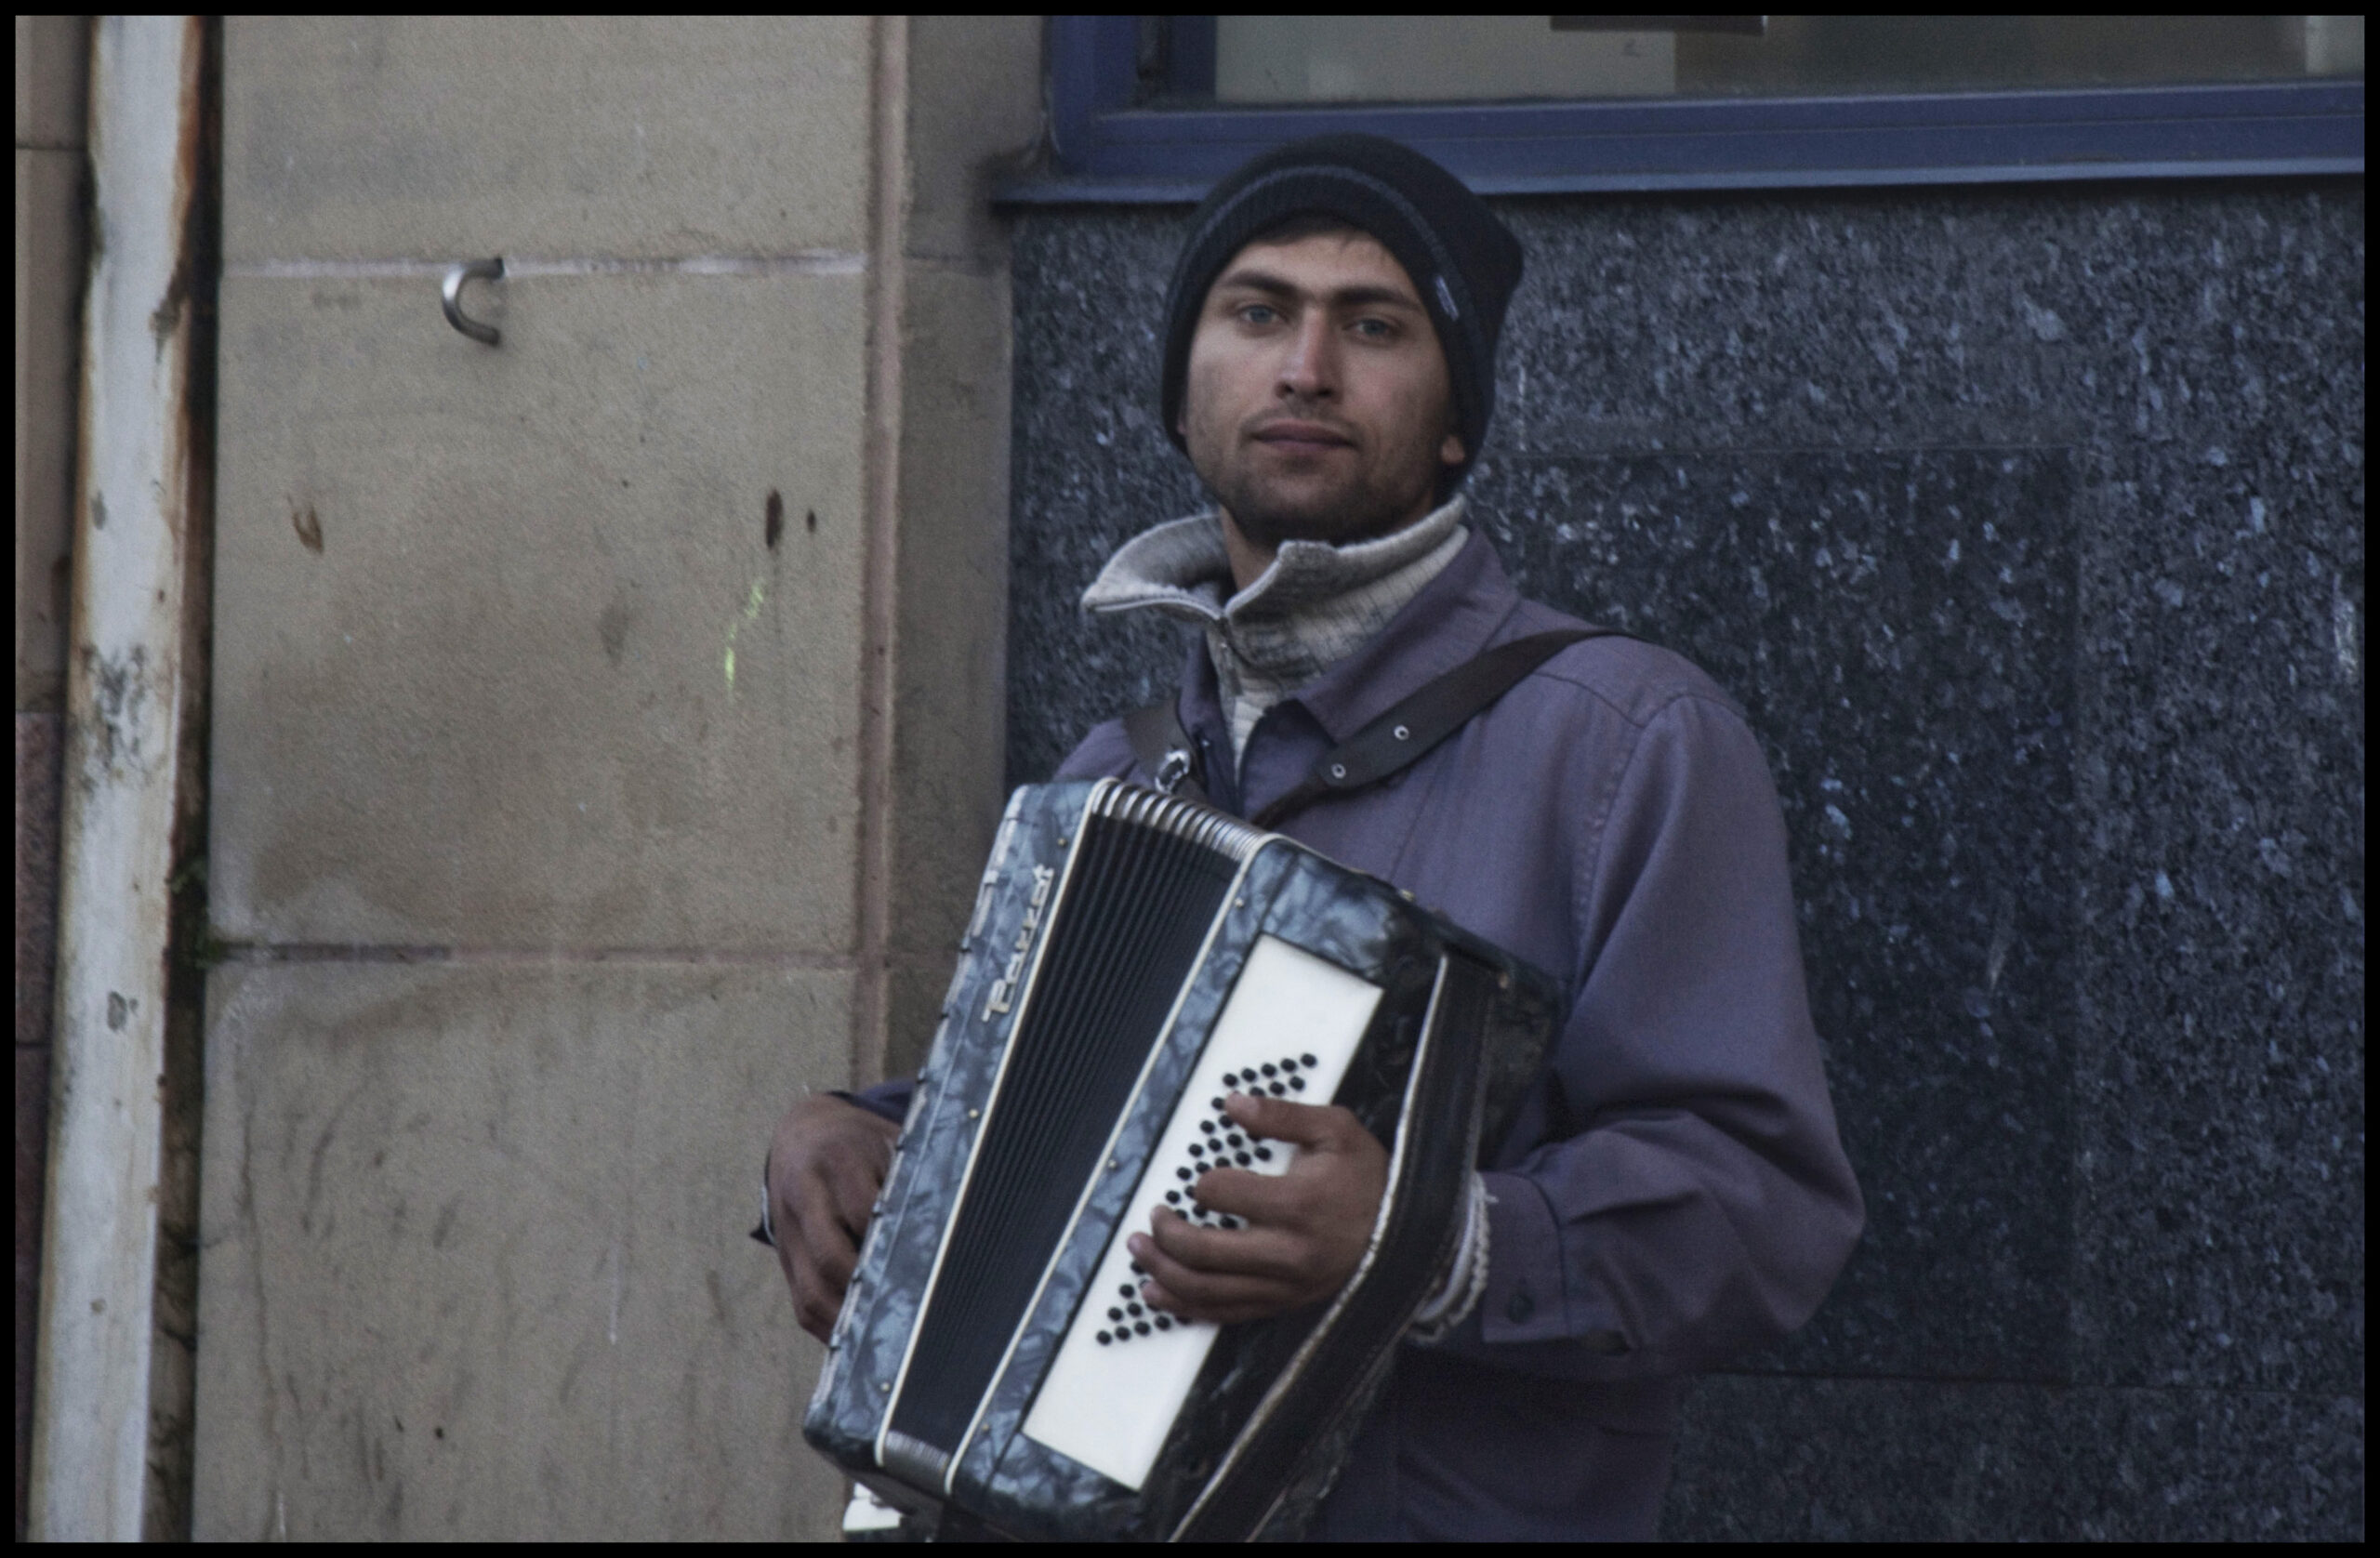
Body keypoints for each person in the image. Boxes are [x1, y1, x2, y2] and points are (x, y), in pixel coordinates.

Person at [761, 133, 1864, 1541]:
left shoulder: (1623, 738)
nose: (1306, 368)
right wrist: (843, 1135)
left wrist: (1429, 1241)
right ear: (1183, 397)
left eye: (1376, 325)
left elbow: (1764, 1210)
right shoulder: (1123, 776)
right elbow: (1055, 1129)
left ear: (1458, 418)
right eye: (1259, 312)